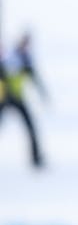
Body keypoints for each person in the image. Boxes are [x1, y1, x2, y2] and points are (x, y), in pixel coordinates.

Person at [0, 31, 47, 169]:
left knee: (31, 128)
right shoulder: (10, 56)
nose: (26, 46)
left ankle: (36, 158)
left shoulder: (26, 59)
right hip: (4, 98)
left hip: (18, 98)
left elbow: (34, 78)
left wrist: (43, 94)